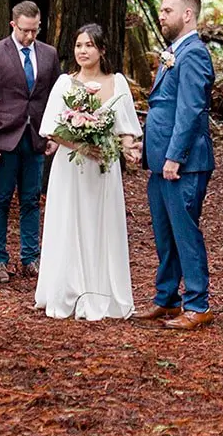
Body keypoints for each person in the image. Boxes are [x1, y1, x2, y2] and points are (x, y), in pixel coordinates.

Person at [32, 25, 141, 319]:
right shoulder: (65, 83)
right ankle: (67, 289)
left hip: (103, 168)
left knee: (101, 223)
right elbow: (51, 128)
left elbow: (127, 127)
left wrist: (128, 148)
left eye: (90, 45)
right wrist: (80, 145)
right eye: (79, 45)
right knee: (70, 222)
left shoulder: (117, 82)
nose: (83, 51)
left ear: (102, 50)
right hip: (72, 167)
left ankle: (101, 289)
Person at [139, 0, 217, 330]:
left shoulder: (195, 54)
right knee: (165, 234)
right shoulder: (174, 52)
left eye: (168, 10)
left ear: (188, 15)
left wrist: (174, 157)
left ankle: (198, 304)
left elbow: (189, 109)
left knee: (185, 233)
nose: (161, 16)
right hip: (160, 162)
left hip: (182, 163)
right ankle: (167, 299)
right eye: (160, 10)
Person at [0, 0, 61, 282]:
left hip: (36, 138)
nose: (30, 36)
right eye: (25, 30)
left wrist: (53, 134)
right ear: (13, 25)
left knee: (31, 200)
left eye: (35, 30)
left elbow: (54, 98)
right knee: (0, 199)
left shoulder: (49, 55)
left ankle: (30, 258)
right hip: (4, 137)